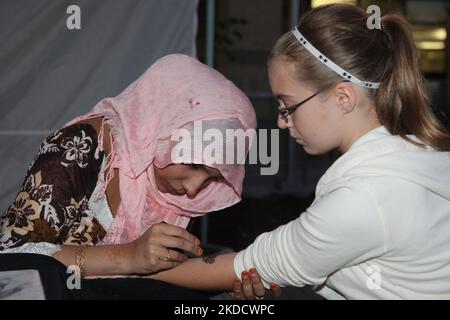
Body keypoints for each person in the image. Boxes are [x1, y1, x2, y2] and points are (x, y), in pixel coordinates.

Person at [145, 4, 450, 300]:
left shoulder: (366, 196)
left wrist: (133, 267)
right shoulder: (415, 156)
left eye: (287, 105)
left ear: (343, 97)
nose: (280, 121)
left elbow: (249, 265)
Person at [0, 54, 257, 299]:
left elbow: (153, 277)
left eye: (211, 178)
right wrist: (125, 257)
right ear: (164, 121)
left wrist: (222, 286)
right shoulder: (81, 147)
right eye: (193, 164)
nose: (192, 189)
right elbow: (12, 259)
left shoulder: (178, 194)